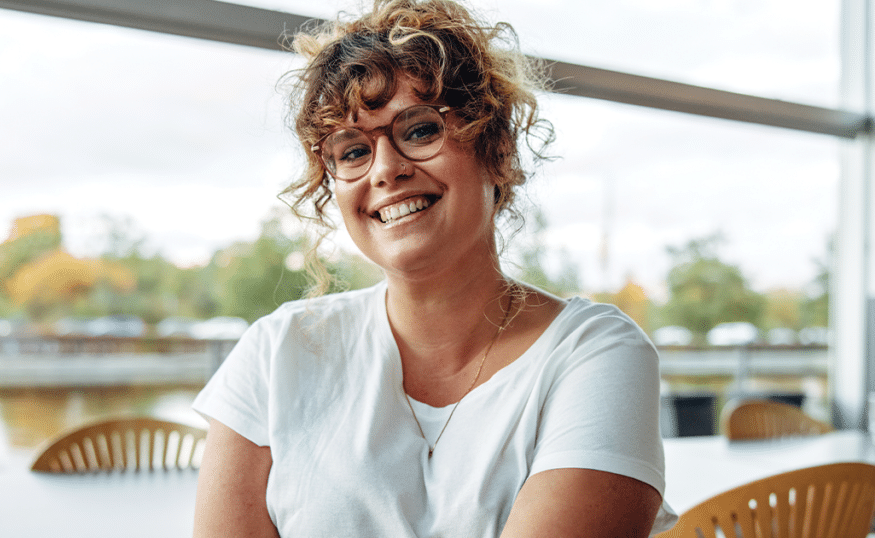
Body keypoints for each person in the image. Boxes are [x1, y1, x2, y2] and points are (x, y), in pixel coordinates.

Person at [191, 0, 677, 536]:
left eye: (420, 130)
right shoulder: (274, 354)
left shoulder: (594, 354)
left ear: (500, 152)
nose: (386, 169)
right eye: (352, 150)